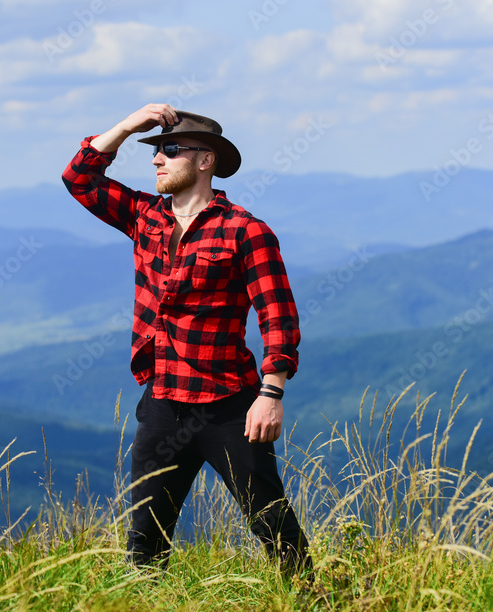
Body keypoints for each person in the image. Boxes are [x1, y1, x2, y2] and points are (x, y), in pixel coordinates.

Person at [61, 103, 310, 575]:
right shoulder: (144, 217)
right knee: (144, 539)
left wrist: (271, 393)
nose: (156, 160)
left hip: (229, 405)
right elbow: (79, 178)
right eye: (154, 151)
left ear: (204, 160)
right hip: (161, 402)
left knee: (272, 524)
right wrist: (129, 125)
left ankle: (317, 600)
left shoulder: (245, 231)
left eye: (169, 150)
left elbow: (278, 315)